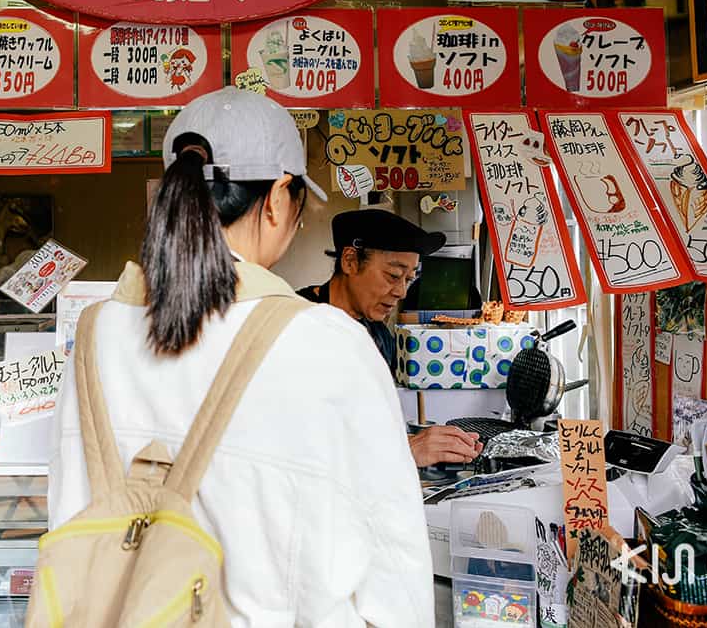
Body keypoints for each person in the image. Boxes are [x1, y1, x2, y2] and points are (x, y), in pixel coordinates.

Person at [50, 88, 433, 626]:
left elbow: (69, 510)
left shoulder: (95, 333)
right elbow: (395, 570)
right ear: (278, 197)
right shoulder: (327, 342)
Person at [297, 209, 482, 468]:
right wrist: (403, 449)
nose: (400, 291)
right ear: (350, 261)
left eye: (409, 278)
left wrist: (416, 441)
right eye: (394, 276)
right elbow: (299, 441)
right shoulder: (295, 326)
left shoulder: (379, 335)